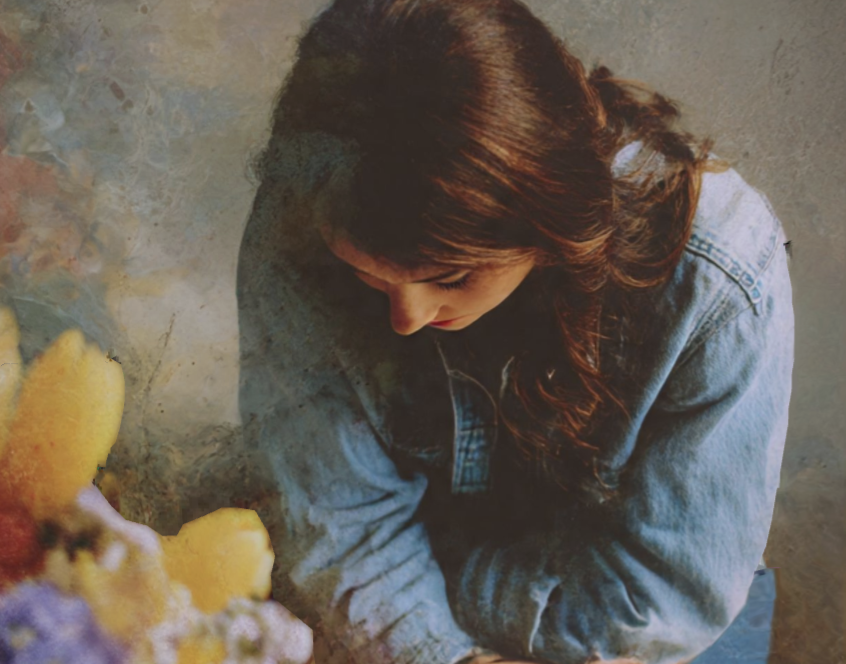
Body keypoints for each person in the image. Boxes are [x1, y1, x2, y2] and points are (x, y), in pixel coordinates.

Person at [236, 1, 794, 663]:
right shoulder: (308, 211)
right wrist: (449, 653)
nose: (406, 318)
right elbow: (340, 525)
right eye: (369, 278)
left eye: (449, 273)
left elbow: (661, 600)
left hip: (638, 635)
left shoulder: (717, 276)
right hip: (401, 616)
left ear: (553, 217)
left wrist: (451, 583)